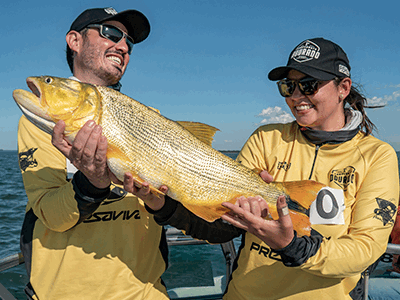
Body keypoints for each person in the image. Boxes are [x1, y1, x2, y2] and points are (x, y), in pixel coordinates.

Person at [123, 37, 399, 299]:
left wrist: (292, 246)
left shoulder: (377, 156)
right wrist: (163, 207)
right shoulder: (267, 139)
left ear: (344, 88)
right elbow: (221, 228)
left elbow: (366, 249)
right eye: (288, 87)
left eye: (309, 84)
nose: (296, 96)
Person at [18, 7, 170, 300]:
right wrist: (92, 183)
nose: (123, 46)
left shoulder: (152, 118)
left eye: (129, 42)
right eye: (111, 33)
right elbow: (51, 215)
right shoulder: (42, 120)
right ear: (74, 41)